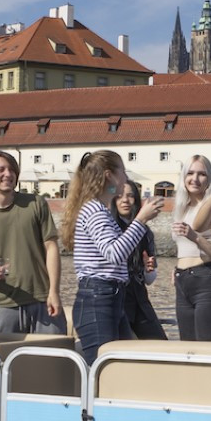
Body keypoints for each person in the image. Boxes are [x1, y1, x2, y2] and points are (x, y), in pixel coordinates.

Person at [61, 150, 164, 362]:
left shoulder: (100, 210)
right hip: (98, 298)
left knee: (121, 365)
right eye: (123, 171)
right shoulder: (94, 211)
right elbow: (114, 254)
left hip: (110, 298)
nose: (126, 177)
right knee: (104, 369)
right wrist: (141, 220)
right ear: (109, 175)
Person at [0, 149, 62, 336]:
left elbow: (52, 247)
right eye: (1, 170)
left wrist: (54, 292)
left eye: (12, 170)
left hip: (43, 301)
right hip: (4, 305)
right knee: (4, 362)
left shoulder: (36, 204)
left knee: (52, 362)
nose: (8, 174)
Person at [170, 154, 211, 341]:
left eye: (201, 174)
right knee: (187, 347)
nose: (195, 179)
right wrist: (177, 267)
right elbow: (184, 248)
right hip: (182, 282)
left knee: (206, 347)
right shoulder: (181, 207)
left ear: (209, 178)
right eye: (190, 173)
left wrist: (194, 236)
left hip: (207, 280)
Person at [114, 178, 166, 340]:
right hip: (118, 300)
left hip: (139, 300)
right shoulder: (110, 227)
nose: (125, 200)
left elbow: (149, 279)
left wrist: (147, 268)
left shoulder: (145, 232)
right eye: (120, 195)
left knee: (159, 343)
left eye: (130, 196)